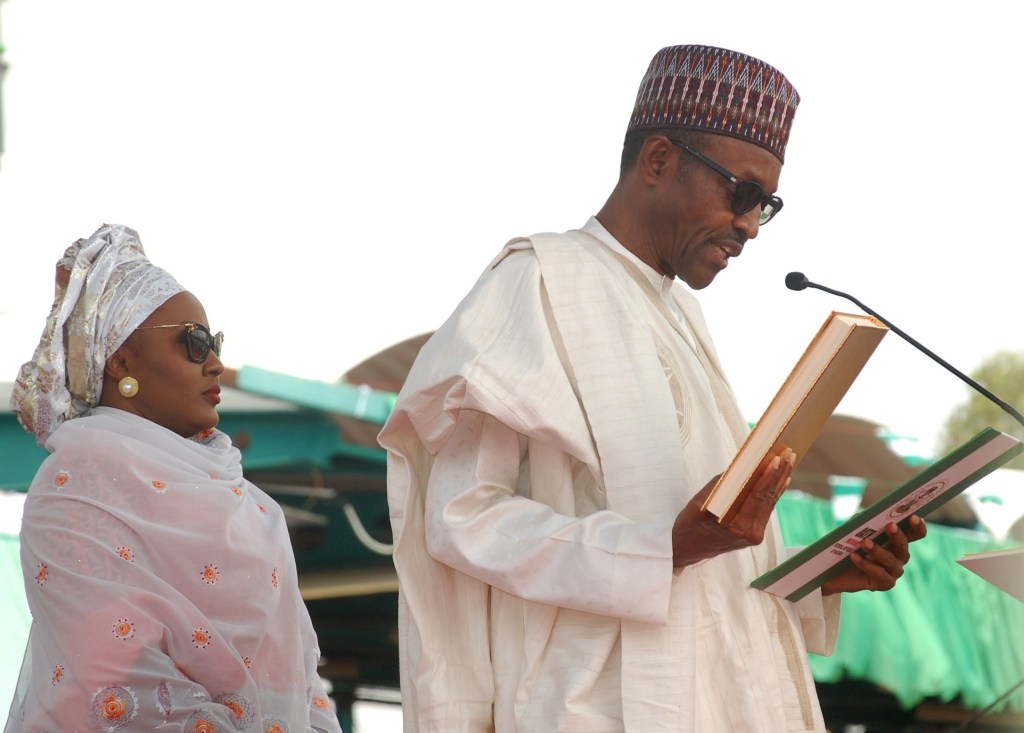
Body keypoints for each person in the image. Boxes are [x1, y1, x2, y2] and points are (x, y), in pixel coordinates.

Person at [378, 44, 927, 732]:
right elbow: (461, 517)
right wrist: (662, 547)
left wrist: (819, 574)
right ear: (659, 159)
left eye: (768, 205)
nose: (751, 226)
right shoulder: (539, 278)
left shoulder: (682, 315)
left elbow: (712, 550)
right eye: (743, 193)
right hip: (600, 706)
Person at [5, 225, 342, 733]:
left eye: (216, 343)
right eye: (195, 342)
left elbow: (304, 688)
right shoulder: (76, 488)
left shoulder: (255, 509)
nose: (216, 365)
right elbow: (114, 678)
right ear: (122, 361)